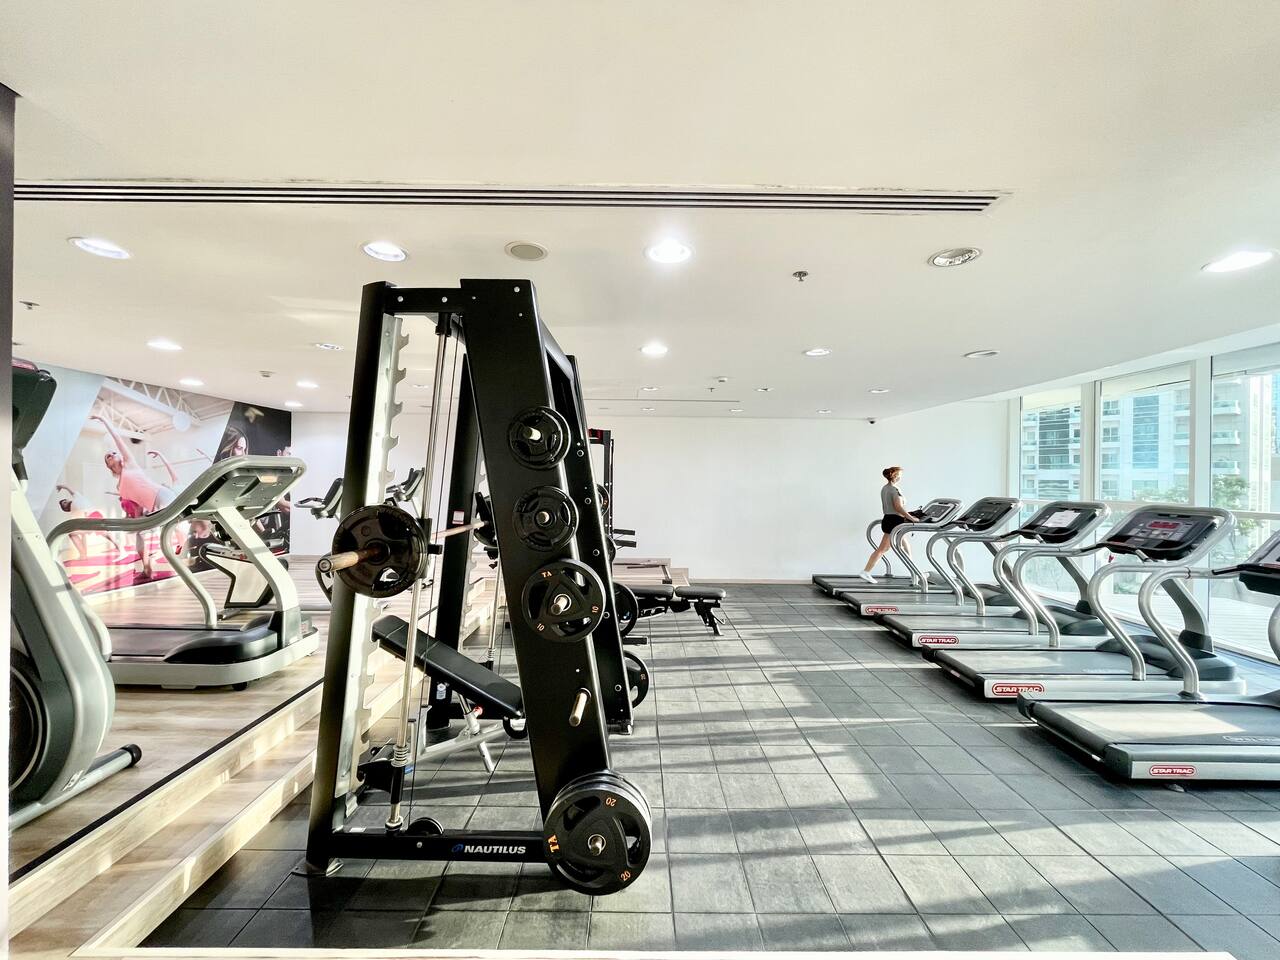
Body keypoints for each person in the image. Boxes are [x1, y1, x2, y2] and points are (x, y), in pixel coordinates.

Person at [91, 414, 181, 579]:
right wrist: (136, 520)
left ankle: (182, 547)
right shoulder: (119, 487)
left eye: (113, 452)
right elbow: (136, 505)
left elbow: (117, 439)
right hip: (152, 507)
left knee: (172, 526)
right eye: (107, 456)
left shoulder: (129, 464)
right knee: (140, 533)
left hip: (162, 496)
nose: (111, 454)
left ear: (120, 457)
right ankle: (147, 568)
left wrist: (104, 420)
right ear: (108, 466)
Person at [857, 466, 921, 584]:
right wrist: (912, 518)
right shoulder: (894, 490)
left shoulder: (885, 488)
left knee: (905, 545)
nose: (901, 477)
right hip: (895, 521)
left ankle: (914, 572)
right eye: (900, 475)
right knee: (883, 549)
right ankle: (866, 571)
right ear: (895, 476)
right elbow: (898, 507)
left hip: (888, 518)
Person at [55, 483, 124, 560]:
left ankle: (84, 555)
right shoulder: (73, 509)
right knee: (103, 534)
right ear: (64, 508)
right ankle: (84, 555)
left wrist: (62, 486)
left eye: (65, 500)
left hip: (93, 517)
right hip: (91, 517)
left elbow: (69, 489)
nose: (65, 501)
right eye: (63, 503)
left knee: (74, 534)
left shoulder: (77, 497)